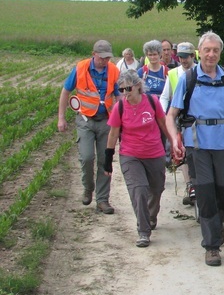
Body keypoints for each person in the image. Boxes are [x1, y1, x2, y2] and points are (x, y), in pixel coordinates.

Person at [166, 31, 224, 267]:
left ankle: (216, 226)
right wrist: (175, 139)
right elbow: (171, 114)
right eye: (207, 50)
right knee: (205, 194)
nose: (211, 54)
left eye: (215, 50)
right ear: (199, 51)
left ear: (220, 53)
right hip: (197, 144)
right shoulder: (188, 78)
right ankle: (212, 246)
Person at [104, 70, 169, 247]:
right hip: (130, 155)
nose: (125, 93)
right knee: (139, 190)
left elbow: (163, 125)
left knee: (156, 189)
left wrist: (174, 144)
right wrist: (108, 159)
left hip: (154, 153)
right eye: (121, 89)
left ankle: (150, 216)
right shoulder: (120, 107)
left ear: (138, 86)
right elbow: (113, 133)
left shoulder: (152, 102)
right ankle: (143, 231)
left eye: (128, 89)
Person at [57, 40, 120, 214]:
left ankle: (102, 200)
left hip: (106, 121)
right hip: (85, 120)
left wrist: (121, 120)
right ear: (94, 54)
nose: (105, 61)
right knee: (86, 158)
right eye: (102, 58)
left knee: (104, 160)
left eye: (107, 58)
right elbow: (65, 92)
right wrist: (61, 118)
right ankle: (88, 187)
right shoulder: (80, 68)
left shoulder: (114, 70)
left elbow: (119, 96)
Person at [160, 42, 197, 205]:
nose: (182, 60)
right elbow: (165, 96)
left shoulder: (200, 72)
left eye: (185, 57)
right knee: (183, 152)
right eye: (180, 57)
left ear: (192, 56)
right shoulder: (173, 73)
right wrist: (162, 113)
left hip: (196, 118)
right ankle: (190, 185)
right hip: (179, 117)